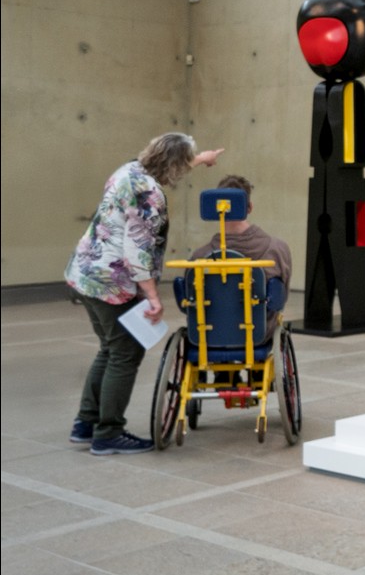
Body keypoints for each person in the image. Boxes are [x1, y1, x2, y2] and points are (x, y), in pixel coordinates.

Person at [65, 133, 223, 455]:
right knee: (125, 352)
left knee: (109, 348)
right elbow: (137, 250)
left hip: (85, 272)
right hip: (111, 282)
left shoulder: (129, 170)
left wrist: (201, 157)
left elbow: (169, 164)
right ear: (175, 164)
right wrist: (152, 296)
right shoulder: (150, 194)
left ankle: (86, 422)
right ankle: (108, 433)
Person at [190, 174, 293, 334]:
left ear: (215, 209)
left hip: (209, 334)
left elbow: (189, 305)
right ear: (249, 207)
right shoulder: (277, 250)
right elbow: (279, 300)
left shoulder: (199, 257)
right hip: (258, 333)